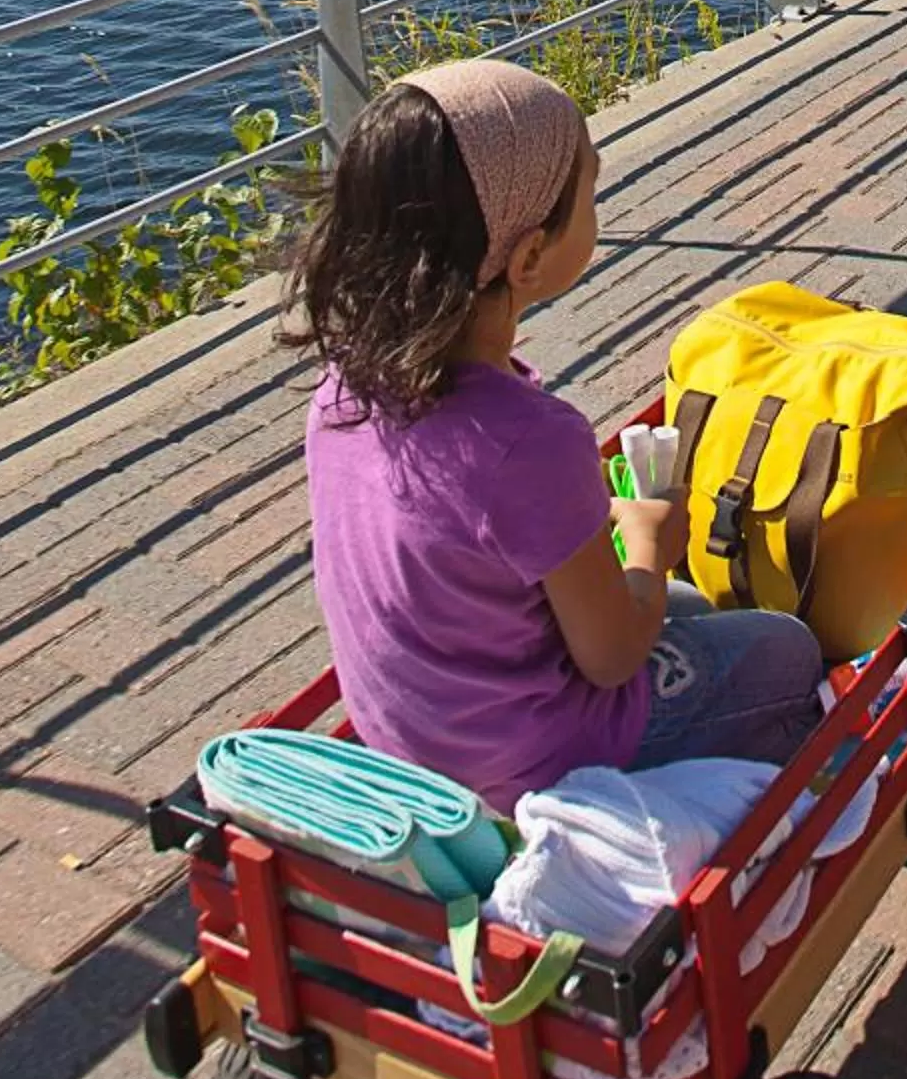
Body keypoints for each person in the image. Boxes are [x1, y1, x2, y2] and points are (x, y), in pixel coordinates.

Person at [285, 58, 824, 814]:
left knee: (688, 609)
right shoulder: (532, 439)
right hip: (538, 762)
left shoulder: (344, 390)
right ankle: (731, 798)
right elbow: (610, 659)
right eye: (589, 192)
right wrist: (651, 543)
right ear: (529, 255)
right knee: (785, 649)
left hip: (414, 736)